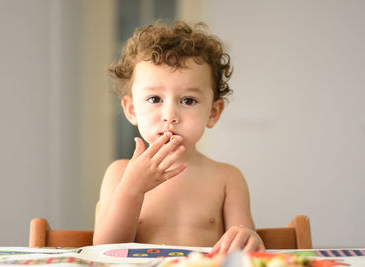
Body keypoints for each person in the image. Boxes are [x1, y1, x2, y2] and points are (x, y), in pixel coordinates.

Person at [93, 20, 265, 253]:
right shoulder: (119, 173)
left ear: (213, 113)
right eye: (154, 99)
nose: (170, 116)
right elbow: (104, 251)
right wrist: (132, 189)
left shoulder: (228, 178)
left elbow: (244, 248)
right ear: (132, 110)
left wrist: (247, 236)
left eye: (188, 101)